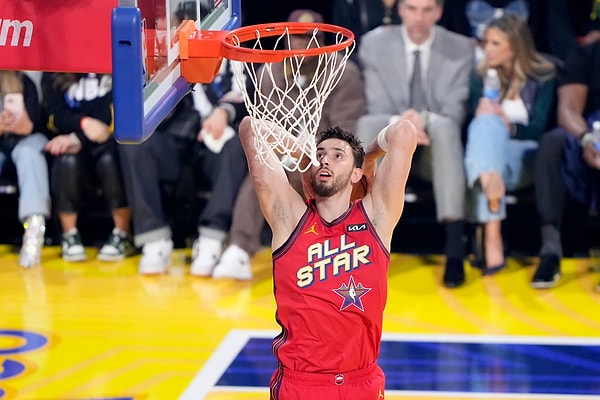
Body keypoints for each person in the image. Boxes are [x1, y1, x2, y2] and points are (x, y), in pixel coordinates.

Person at [238, 114, 417, 399]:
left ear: (356, 174)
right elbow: (251, 128)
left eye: (337, 156)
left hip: (362, 382)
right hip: (301, 384)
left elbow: (404, 132)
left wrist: (367, 158)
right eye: (321, 154)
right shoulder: (290, 218)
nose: (326, 160)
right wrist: (306, 158)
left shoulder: (377, 217)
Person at [207, 8, 367, 280]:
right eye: (296, 38)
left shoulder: (343, 72)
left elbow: (344, 134)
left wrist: (306, 151)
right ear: (285, 41)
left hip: (331, 157)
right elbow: (266, 124)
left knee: (289, 169)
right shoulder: (271, 72)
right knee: (264, 168)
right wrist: (286, 150)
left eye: (309, 38)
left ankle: (256, 248)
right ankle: (238, 248)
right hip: (287, 155)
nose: (302, 45)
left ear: (322, 41)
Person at [356, 0, 474, 288]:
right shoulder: (374, 44)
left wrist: (420, 120)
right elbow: (377, 103)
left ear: (440, 12)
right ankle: (360, 242)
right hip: (393, 135)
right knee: (367, 124)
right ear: (400, 10)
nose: (419, 17)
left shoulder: (460, 47)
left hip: (435, 142)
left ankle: (454, 250)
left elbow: (454, 110)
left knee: (445, 128)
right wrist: (406, 125)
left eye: (427, 9)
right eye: (411, 8)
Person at [463, 14, 556, 274]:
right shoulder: (480, 76)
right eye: (485, 43)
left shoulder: (543, 76)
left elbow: (541, 131)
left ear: (513, 47)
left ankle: (488, 231)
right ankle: (493, 230)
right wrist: (482, 115)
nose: (487, 49)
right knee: (483, 125)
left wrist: (510, 125)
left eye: (495, 43)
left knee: (488, 130)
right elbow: (473, 127)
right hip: (493, 161)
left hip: (526, 158)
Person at [43, 72, 134, 262]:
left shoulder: (116, 63)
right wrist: (83, 124)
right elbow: (53, 115)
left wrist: (79, 138)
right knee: (66, 160)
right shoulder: (55, 68)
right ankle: (69, 235)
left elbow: (114, 112)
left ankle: (122, 233)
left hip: (110, 141)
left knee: (110, 160)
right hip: (70, 140)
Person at [531, 41, 600, 290]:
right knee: (552, 144)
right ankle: (550, 252)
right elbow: (568, 109)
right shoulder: (587, 53)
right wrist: (587, 139)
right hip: (590, 129)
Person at [0, 71, 51, 268]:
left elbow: (39, 121)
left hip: (28, 138)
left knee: (29, 154)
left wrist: (25, 125)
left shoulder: (25, 81)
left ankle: (34, 229)